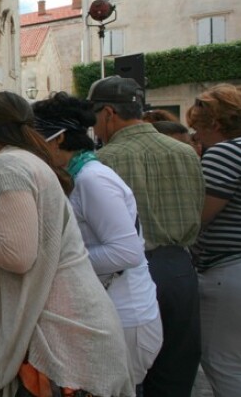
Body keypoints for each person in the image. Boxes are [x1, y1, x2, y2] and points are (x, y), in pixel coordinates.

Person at [0, 91, 132, 397]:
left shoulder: (6, 164)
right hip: (74, 331)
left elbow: (17, 253)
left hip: (61, 343)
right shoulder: (28, 161)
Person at [33, 92, 162, 391]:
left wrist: (57, 261)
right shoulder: (76, 176)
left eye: (38, 142)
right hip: (106, 309)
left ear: (59, 139)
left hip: (125, 315)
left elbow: (126, 251)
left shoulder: (93, 179)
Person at [87, 75, 204, 396]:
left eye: (94, 117)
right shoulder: (185, 153)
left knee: (127, 378)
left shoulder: (102, 161)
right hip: (180, 270)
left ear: (108, 112)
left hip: (130, 277)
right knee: (176, 374)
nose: (94, 127)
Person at [185, 84, 241, 395]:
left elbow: (198, 217)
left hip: (235, 271)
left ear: (216, 125)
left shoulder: (230, 152)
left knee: (227, 366)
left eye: (198, 130)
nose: (198, 140)